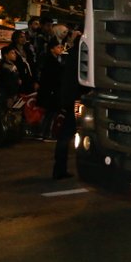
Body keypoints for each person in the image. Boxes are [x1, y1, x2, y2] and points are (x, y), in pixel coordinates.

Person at [52, 30, 86, 179]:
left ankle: (59, 167)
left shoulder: (71, 55)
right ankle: (60, 169)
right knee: (68, 134)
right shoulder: (81, 57)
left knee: (65, 134)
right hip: (76, 99)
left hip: (68, 98)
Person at [36, 38, 66, 141]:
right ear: (52, 49)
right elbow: (52, 76)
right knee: (51, 112)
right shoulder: (51, 61)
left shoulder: (55, 60)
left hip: (51, 89)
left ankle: (42, 133)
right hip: (51, 90)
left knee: (49, 112)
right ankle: (46, 133)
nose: (60, 49)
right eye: (58, 47)